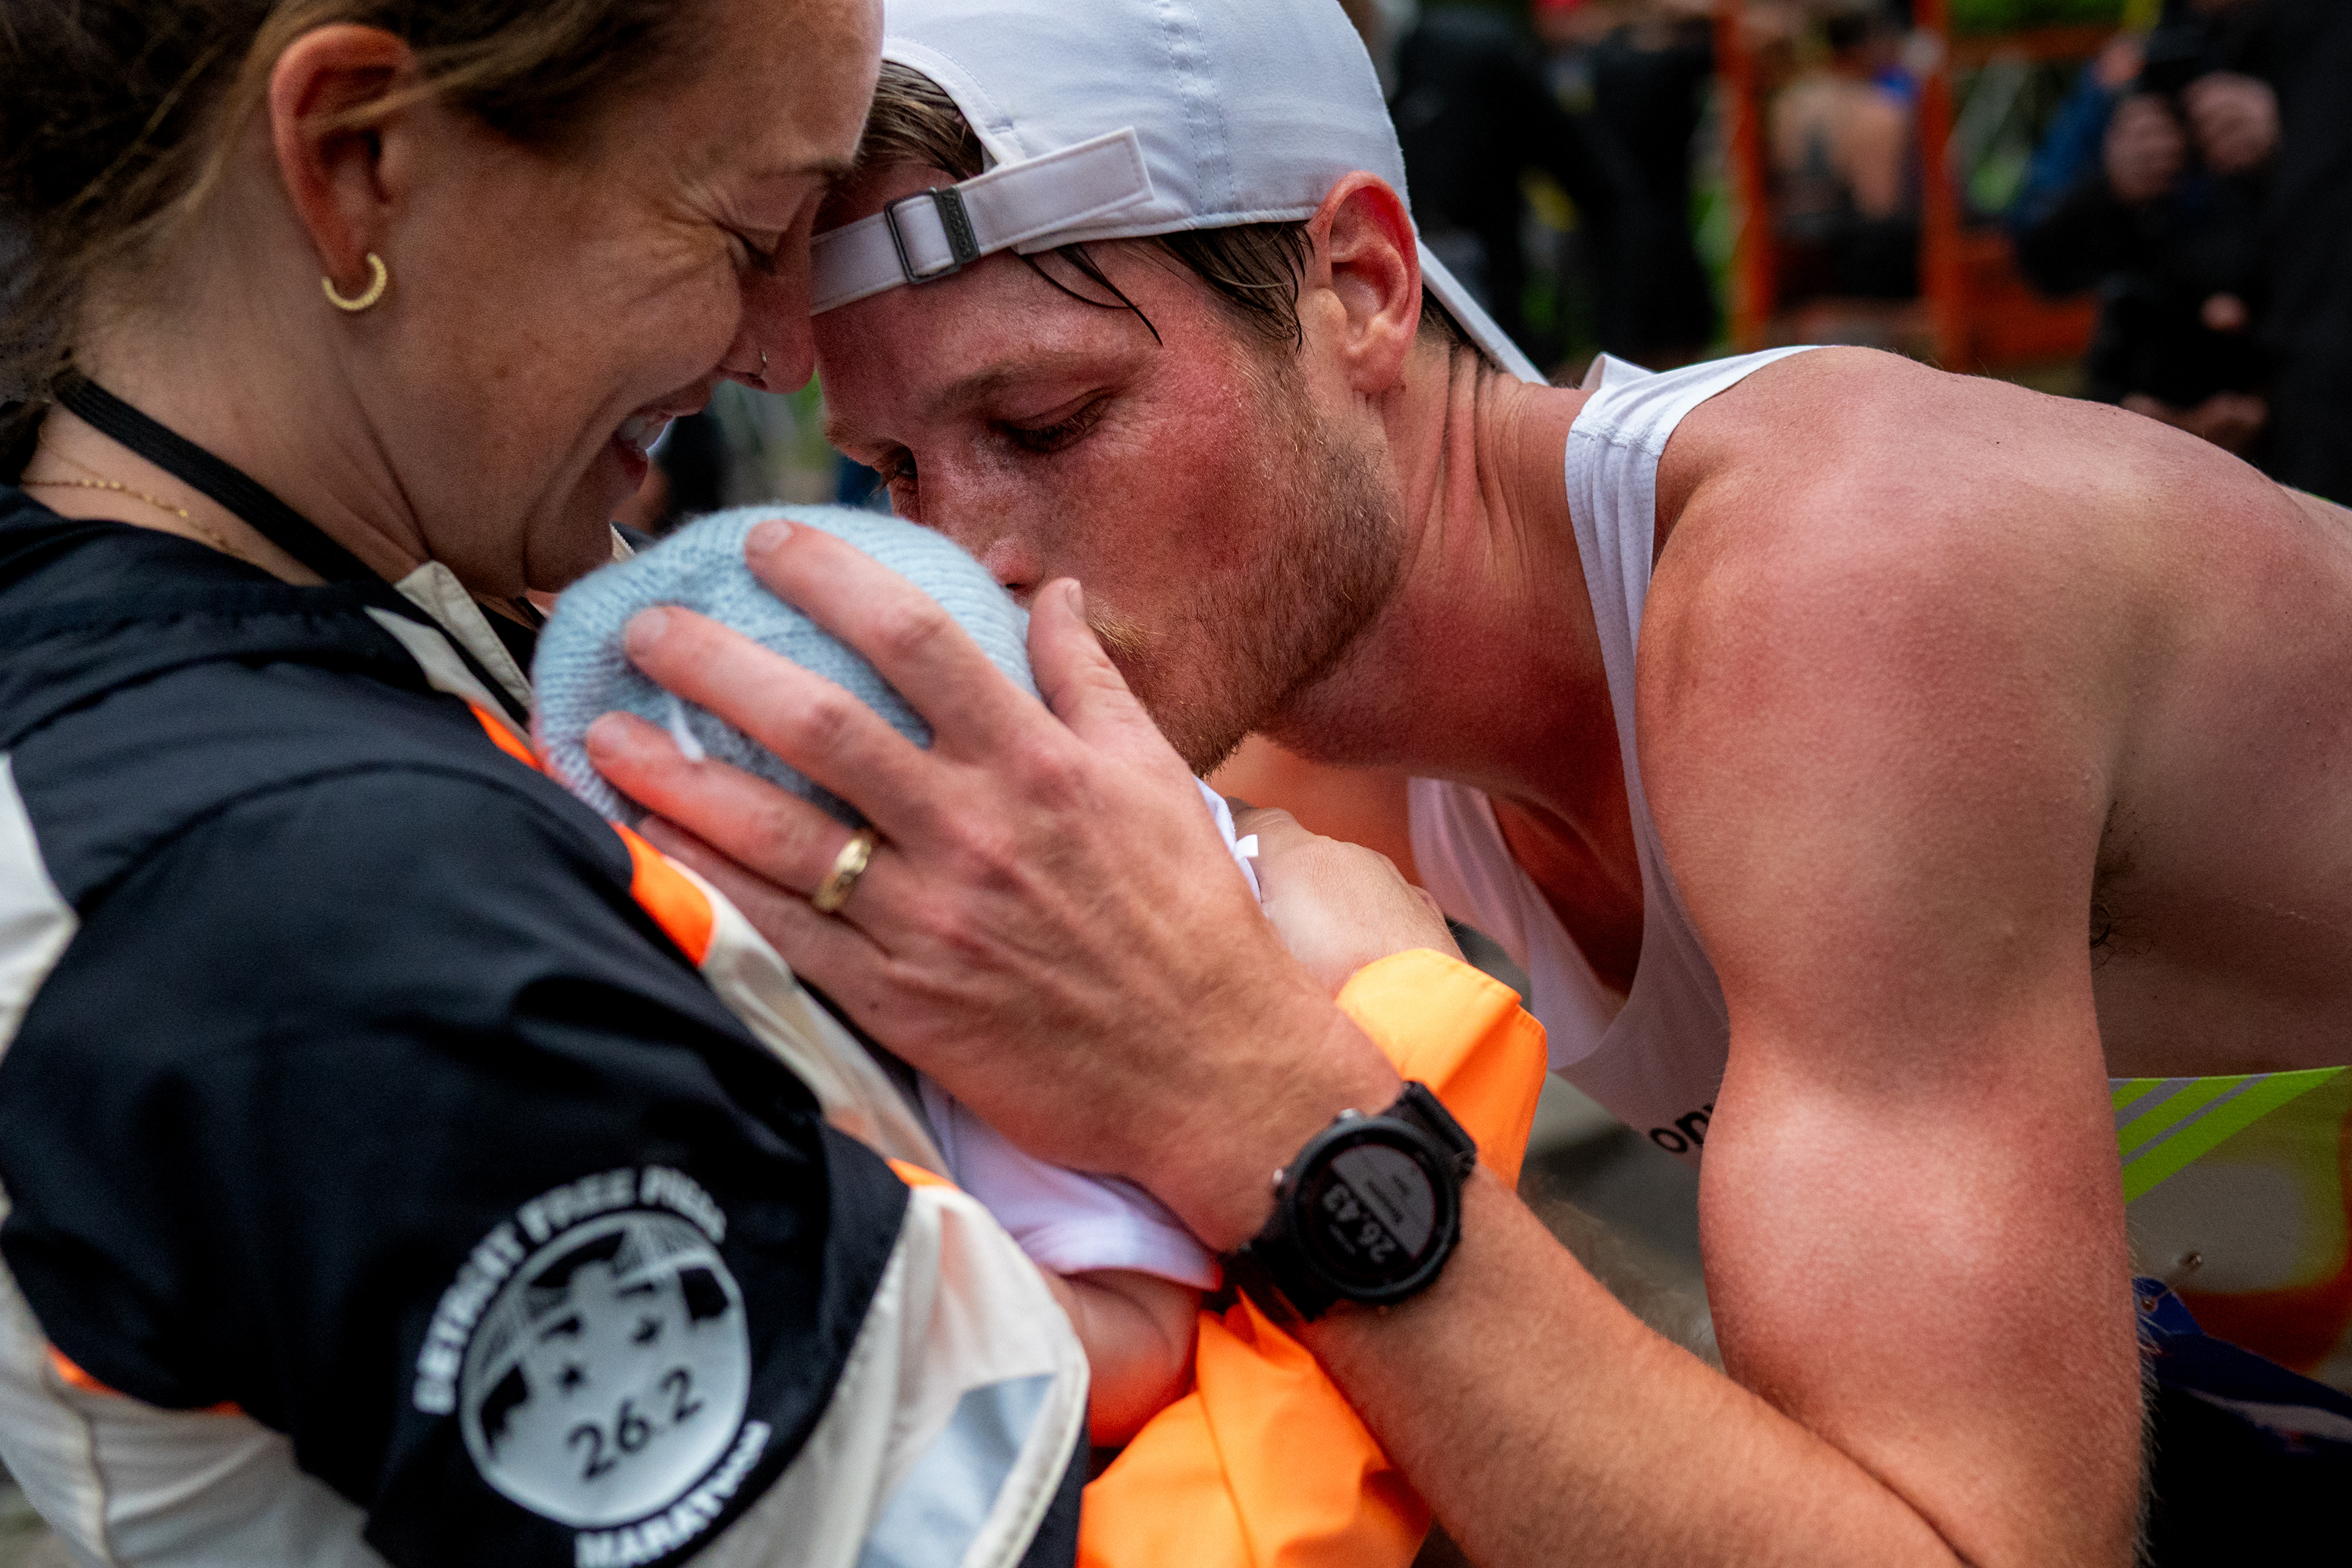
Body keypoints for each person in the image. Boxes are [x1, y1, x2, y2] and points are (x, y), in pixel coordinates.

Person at [581, 0, 2352, 1561]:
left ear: (1360, 284)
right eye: (893, 466)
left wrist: (1266, 1096)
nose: (974, 552)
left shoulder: (1847, 583)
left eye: (1047, 424)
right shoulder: (1270, 747)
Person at [0, 3, 1104, 1564]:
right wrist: (1338, 1106)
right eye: (746, 232)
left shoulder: (321, 598)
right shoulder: (309, 912)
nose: (785, 351)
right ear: (357, 159)